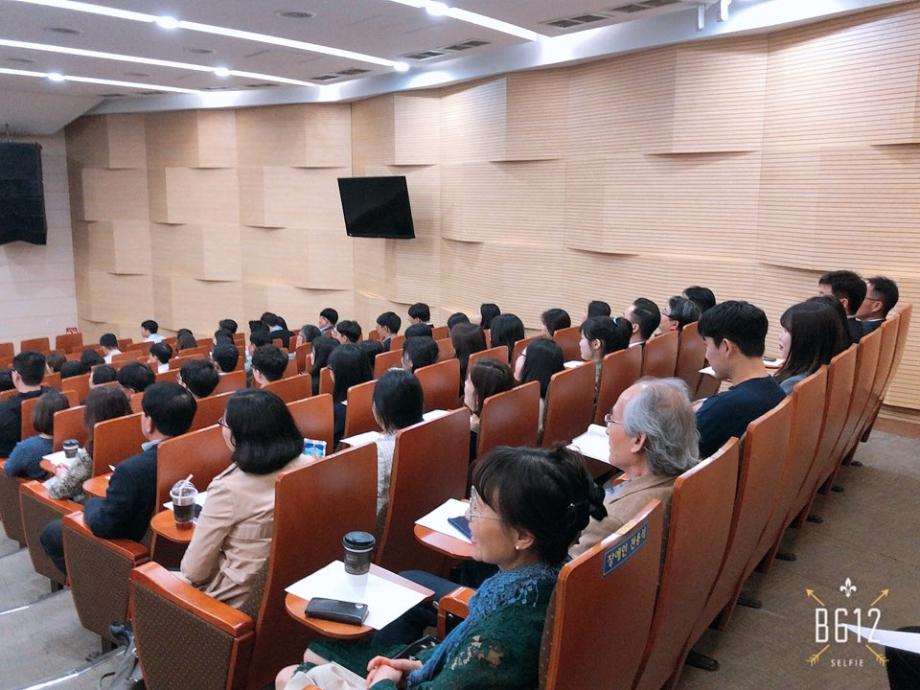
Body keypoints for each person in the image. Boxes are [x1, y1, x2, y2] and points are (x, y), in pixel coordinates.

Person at [277, 445, 606, 690]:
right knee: (315, 652)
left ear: (522, 536)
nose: (468, 516)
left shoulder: (501, 635)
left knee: (290, 676)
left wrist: (388, 680)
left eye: (479, 508)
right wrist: (413, 666)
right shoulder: (545, 579)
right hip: (433, 664)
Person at [40, 382, 196, 575]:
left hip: (131, 548)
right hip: (174, 546)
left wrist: (91, 503)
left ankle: (89, 584)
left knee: (51, 534)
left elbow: (103, 526)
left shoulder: (131, 470)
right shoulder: (199, 449)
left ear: (149, 423)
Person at [178, 389, 309, 607]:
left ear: (239, 436)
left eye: (224, 423)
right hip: (289, 588)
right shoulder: (308, 465)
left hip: (233, 605)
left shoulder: (227, 488)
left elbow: (194, 571)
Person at [570, 378, 699, 558]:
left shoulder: (610, 521)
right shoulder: (696, 478)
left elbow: (568, 574)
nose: (607, 430)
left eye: (612, 420)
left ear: (638, 439)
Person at [695, 301, 786, 459]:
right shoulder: (777, 391)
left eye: (707, 346)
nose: (706, 355)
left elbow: (671, 458)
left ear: (726, 347)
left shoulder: (724, 408)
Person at [44, 386, 133, 501]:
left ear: (91, 416)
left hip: (91, 503)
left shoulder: (91, 452)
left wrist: (62, 475)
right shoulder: (135, 435)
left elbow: (57, 492)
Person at [370, 370, 424, 533]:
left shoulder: (380, 452)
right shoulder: (430, 431)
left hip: (383, 530)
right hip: (417, 515)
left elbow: (376, 506)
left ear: (381, 409)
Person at [774, 300, 849, 395]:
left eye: (786, 331)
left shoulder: (796, 384)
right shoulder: (825, 373)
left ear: (806, 339)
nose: (780, 336)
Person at [2, 389, 70, 480]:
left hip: (36, 486)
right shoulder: (74, 440)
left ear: (38, 415)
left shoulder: (26, 448)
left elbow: (9, 470)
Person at [0, 351, 48, 457]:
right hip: (49, 453)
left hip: (10, 459)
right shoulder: (57, 396)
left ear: (16, 376)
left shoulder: (4, 409)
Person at [464, 359, 515, 456]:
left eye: (468, 381)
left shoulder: (468, 436)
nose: (465, 384)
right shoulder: (511, 423)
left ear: (478, 396)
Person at [514, 338, 564, 430]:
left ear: (535, 367)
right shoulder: (556, 395)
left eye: (522, 355)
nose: (517, 359)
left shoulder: (531, 403)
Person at [328, 344, 373, 445]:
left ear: (340, 374)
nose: (329, 372)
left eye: (330, 368)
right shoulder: (377, 397)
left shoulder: (337, 412)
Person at [579, 316, 631, 387]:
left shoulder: (590, 379)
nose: (580, 343)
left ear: (596, 344)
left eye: (582, 338)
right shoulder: (620, 368)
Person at [818, 270, 866, 343]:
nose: (817, 299)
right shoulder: (858, 327)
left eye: (823, 295)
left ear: (842, 303)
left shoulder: (832, 335)